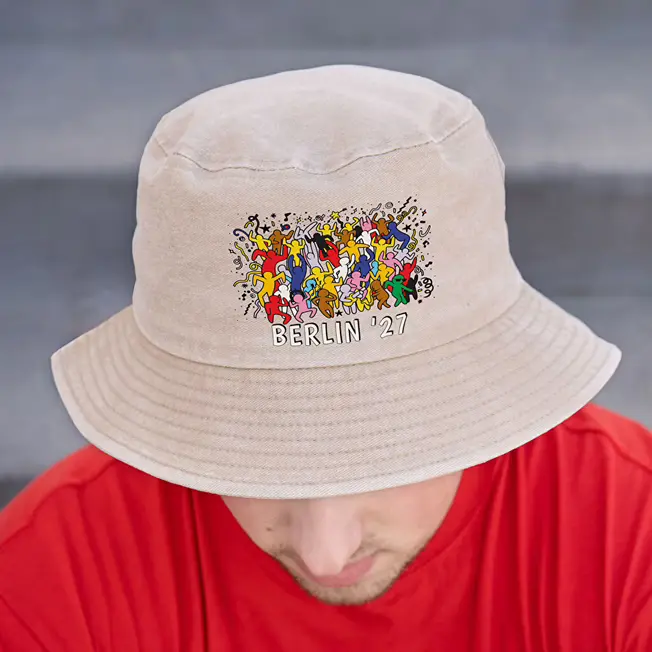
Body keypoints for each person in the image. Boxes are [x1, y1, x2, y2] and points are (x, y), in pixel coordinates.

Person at [1, 64, 650, 651]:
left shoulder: (629, 529)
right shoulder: (49, 578)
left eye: (388, 450)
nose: (325, 553)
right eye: (256, 461)